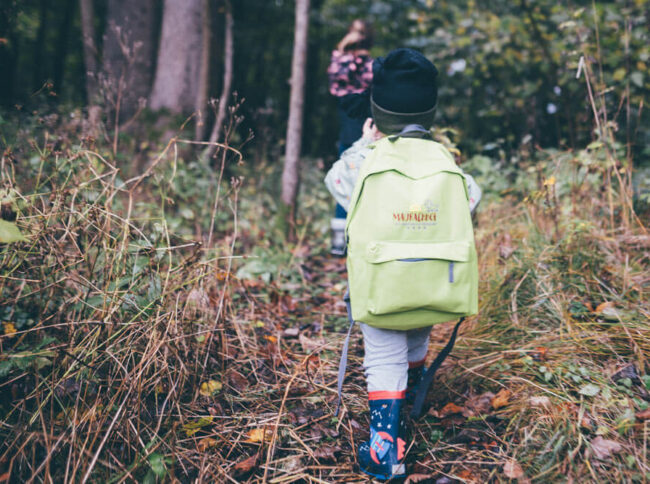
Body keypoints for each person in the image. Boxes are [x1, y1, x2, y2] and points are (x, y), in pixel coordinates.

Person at [324, 48, 481, 480]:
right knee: (414, 335)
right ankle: (410, 402)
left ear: (377, 110)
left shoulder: (364, 159)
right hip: (433, 282)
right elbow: (472, 198)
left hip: (382, 285)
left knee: (383, 352)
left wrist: (363, 142)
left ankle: (384, 449)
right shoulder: (443, 161)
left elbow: (335, 181)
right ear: (430, 111)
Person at [327, 19, 374, 256]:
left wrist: (348, 52)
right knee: (351, 181)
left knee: (356, 183)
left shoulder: (366, 65)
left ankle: (351, 239)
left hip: (362, 130)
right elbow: (338, 80)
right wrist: (346, 51)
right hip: (356, 130)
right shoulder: (352, 64)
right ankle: (344, 240)